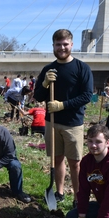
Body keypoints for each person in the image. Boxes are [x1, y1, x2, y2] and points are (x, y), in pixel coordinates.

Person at [34, 29, 93, 203]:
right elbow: (38, 96)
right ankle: (59, 193)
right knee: (57, 159)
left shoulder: (82, 68)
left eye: (65, 44)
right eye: (58, 44)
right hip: (52, 123)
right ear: (53, 46)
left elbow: (86, 96)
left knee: (75, 163)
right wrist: (44, 84)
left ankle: (78, 197)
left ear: (71, 45)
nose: (62, 48)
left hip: (73, 124)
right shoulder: (48, 69)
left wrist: (62, 105)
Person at [65, 124, 109, 218]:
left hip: (107, 205)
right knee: (71, 217)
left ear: (107, 143)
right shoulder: (86, 161)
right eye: (90, 141)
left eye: (98, 142)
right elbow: (83, 192)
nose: (93, 145)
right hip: (101, 205)